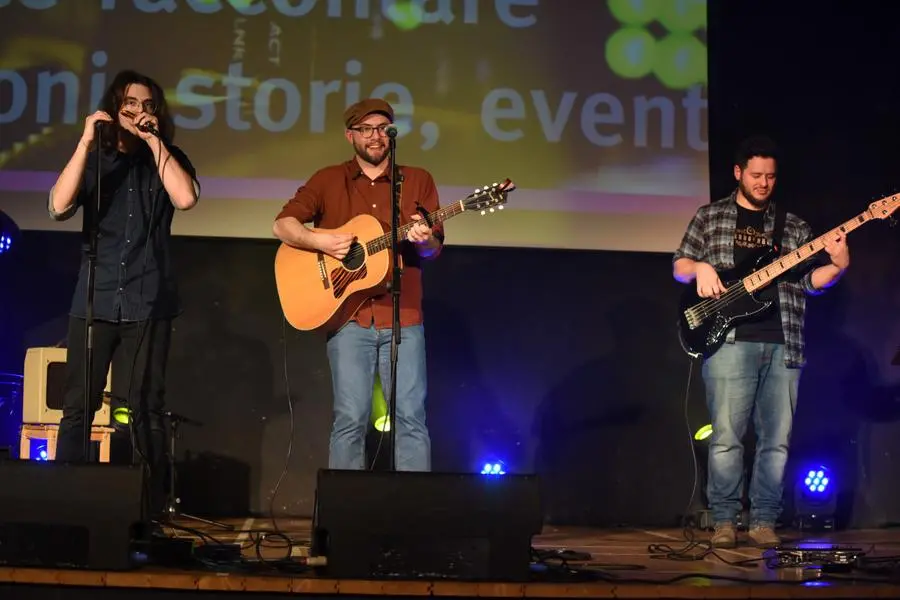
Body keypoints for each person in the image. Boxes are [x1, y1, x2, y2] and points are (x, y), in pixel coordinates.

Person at [672, 135, 849, 548]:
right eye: (756, 175)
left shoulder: (795, 227)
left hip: (785, 342)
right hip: (729, 340)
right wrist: (698, 267)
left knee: (776, 440)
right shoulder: (710, 216)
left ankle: (764, 520)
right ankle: (724, 521)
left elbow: (810, 283)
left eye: (770, 176)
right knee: (727, 438)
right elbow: (680, 265)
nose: (764, 183)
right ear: (738, 173)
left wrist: (838, 266)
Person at [49, 70, 200, 520]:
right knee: (78, 407)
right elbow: (57, 207)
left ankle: (146, 514)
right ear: (114, 108)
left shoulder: (167, 158)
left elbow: (187, 199)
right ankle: (63, 509)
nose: (139, 112)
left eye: (148, 105)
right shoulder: (94, 159)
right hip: (94, 301)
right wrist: (84, 143)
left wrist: (156, 143)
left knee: (143, 411)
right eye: (130, 104)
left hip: (148, 301)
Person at [273, 98, 443, 471]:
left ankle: (417, 516)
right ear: (351, 135)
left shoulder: (416, 180)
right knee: (350, 418)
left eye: (382, 128)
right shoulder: (328, 179)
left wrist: (423, 240)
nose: (375, 137)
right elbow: (282, 225)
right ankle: (343, 518)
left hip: (404, 318)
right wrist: (322, 241)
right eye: (365, 129)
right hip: (349, 318)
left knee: (411, 418)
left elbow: (432, 251)